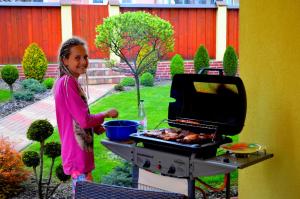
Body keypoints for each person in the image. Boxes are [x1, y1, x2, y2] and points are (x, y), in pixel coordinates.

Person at [54, 37, 118, 195]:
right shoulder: (67, 83)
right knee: (86, 194)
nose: (83, 61)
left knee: (85, 192)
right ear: (65, 60)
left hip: (79, 153)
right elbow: (83, 120)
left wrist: (94, 126)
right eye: (77, 57)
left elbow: (76, 116)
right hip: (77, 154)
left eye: (85, 57)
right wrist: (105, 114)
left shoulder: (69, 82)